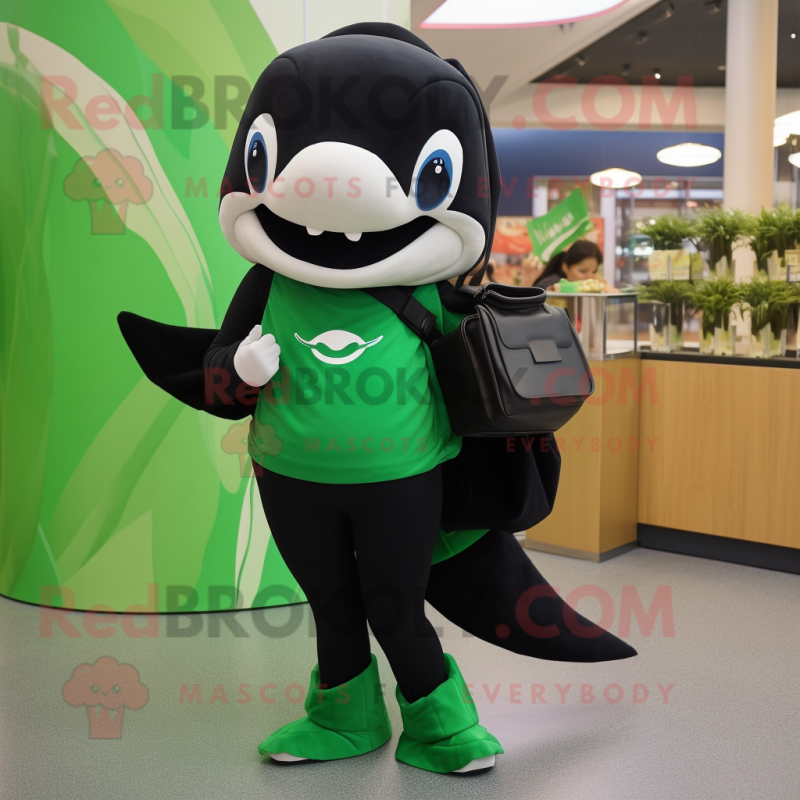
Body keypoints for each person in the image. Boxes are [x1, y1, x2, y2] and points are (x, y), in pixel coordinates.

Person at [533, 239, 604, 290]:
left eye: (594, 272)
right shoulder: (549, 287)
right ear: (565, 267)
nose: (590, 278)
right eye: (583, 271)